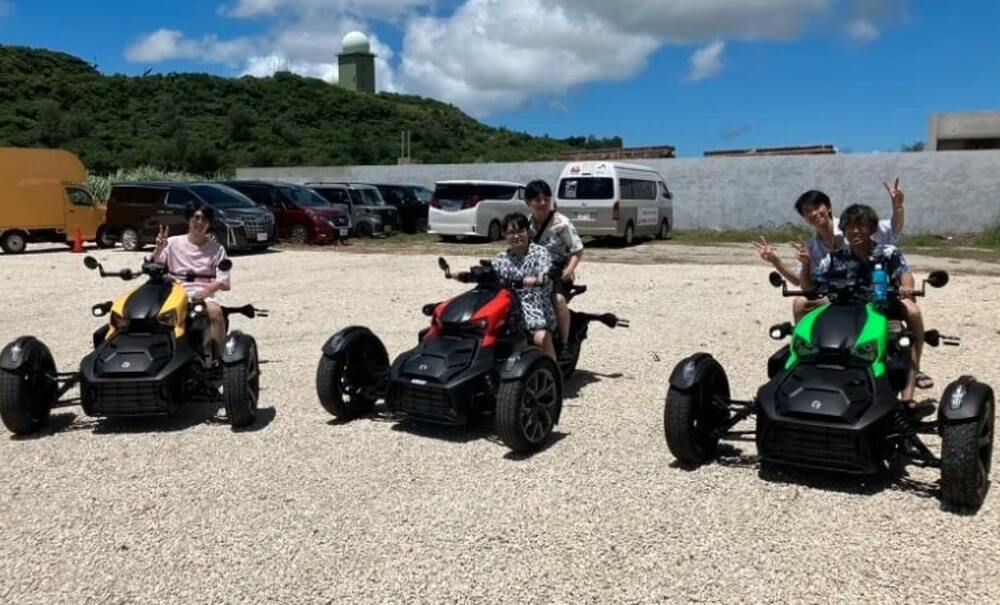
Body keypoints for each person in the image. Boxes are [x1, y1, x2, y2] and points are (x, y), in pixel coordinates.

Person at [753, 179, 932, 388]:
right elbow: (804, 282)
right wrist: (777, 261)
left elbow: (894, 229)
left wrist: (898, 207)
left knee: (913, 311)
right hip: (841, 294)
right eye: (807, 211)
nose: (814, 213)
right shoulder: (812, 246)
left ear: (828, 207)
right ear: (804, 217)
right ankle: (808, 353)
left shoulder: (854, 222)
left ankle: (914, 368)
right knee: (800, 303)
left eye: (817, 207)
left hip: (878, 291)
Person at [800, 203, 929, 416]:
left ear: (872, 229)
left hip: (880, 312)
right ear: (844, 231)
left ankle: (908, 393)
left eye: (861, 226)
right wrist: (806, 265)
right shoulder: (835, 257)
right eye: (850, 227)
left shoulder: (888, 252)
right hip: (843, 314)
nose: (855, 231)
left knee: (907, 331)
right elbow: (809, 287)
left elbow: (905, 274)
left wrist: (906, 287)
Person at [152, 201, 231, 356]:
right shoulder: (171, 243)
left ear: (209, 223)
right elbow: (154, 267)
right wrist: (159, 248)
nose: (199, 222)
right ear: (188, 220)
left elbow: (224, 280)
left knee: (215, 313)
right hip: (172, 294)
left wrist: (206, 291)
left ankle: (217, 358)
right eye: (196, 218)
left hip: (201, 296)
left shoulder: (217, 249)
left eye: (204, 219)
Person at [490, 212, 557, 362]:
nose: (516, 236)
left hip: (536, 306)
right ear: (504, 235)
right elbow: (491, 273)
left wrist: (539, 279)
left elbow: (545, 272)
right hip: (510, 307)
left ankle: (553, 370)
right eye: (511, 232)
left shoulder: (540, 253)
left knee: (541, 338)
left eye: (520, 231)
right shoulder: (502, 258)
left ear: (528, 231)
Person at [525, 179, 584, 346]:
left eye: (546, 199)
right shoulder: (527, 224)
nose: (543, 203)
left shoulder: (562, 223)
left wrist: (569, 270)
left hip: (556, 270)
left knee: (558, 300)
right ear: (528, 202)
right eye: (537, 200)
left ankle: (564, 343)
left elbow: (577, 250)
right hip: (532, 269)